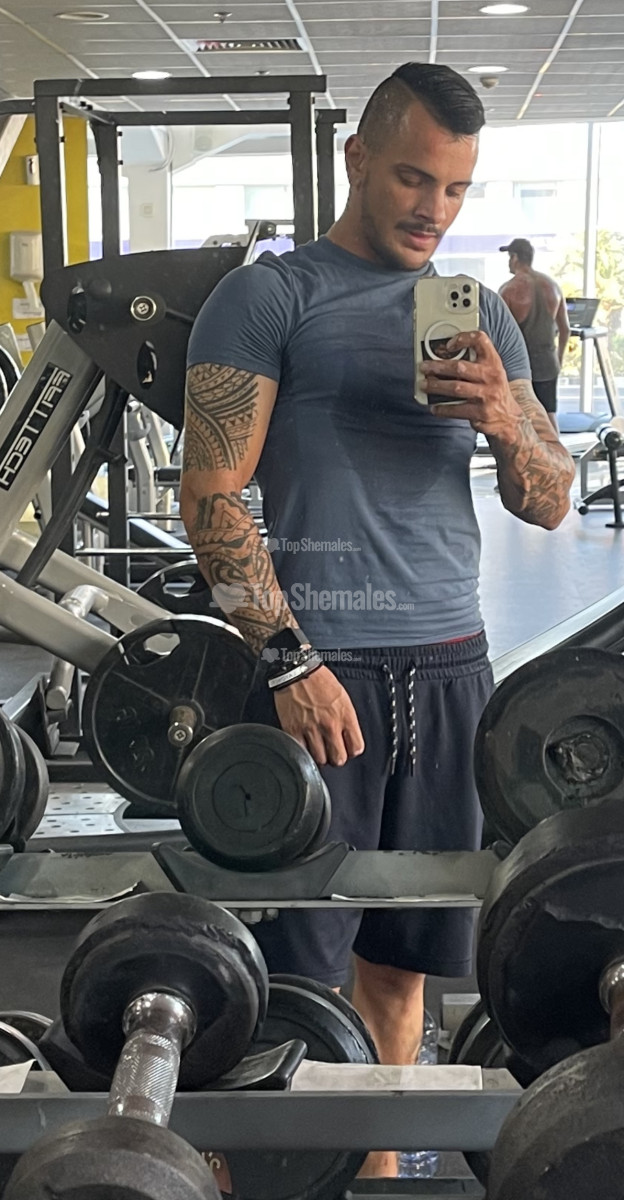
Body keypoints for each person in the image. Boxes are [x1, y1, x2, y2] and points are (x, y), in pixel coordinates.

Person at [181, 62, 575, 1176]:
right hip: (323, 670)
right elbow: (210, 498)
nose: (431, 209)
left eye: (454, 189)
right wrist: (287, 660)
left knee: (404, 967)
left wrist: (504, 417)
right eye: (412, 178)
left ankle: (382, 1170)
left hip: (452, 671)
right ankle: (280, 1176)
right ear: (357, 158)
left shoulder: (479, 314)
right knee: (293, 980)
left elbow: (550, 502)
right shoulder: (270, 299)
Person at [499, 237, 571, 432]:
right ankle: (556, 451)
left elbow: (499, 336)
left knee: (519, 418)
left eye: (509, 257)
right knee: (549, 415)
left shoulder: (508, 290)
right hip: (548, 364)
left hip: (520, 368)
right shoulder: (553, 287)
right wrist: (558, 359)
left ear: (515, 258)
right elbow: (565, 329)